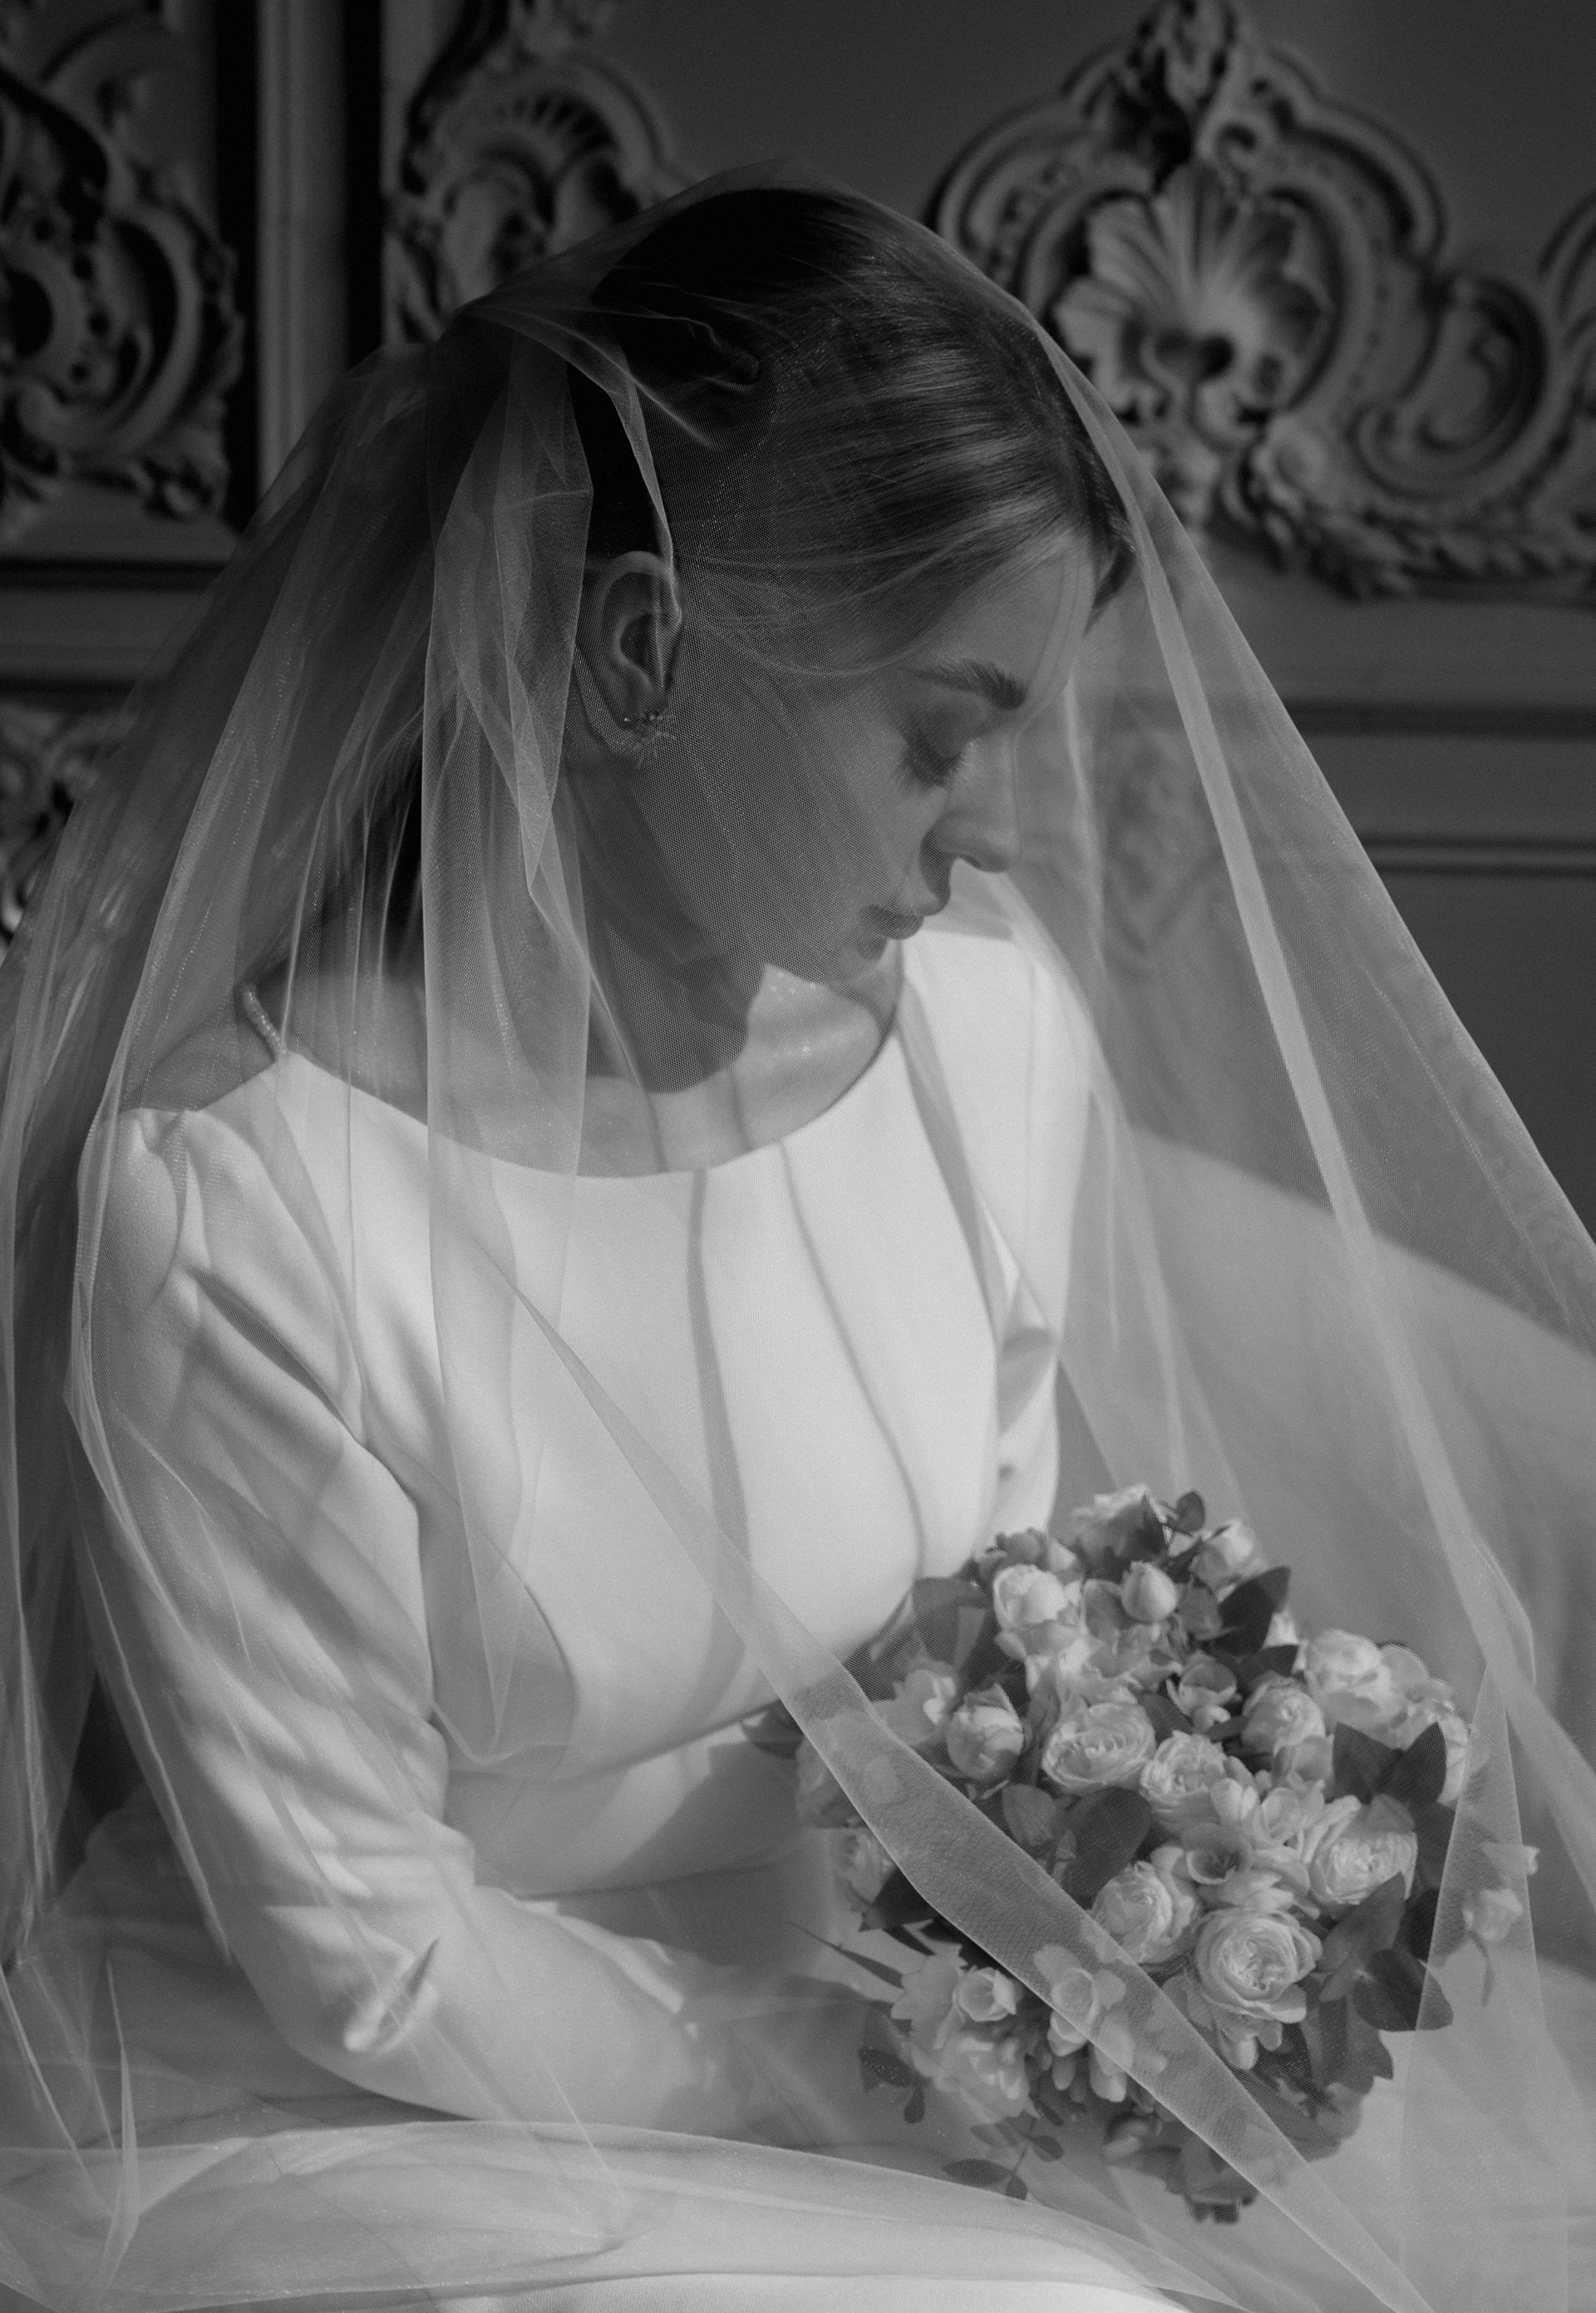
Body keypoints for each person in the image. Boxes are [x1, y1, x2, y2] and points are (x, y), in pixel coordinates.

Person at [0, 175, 1592, 2313]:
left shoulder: (988, 1038)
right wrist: (880, 2075)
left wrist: (1135, 1928)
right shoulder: (237, 1207)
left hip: (883, 2044)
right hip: (389, 2110)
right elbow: (370, 1952)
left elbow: (1008, 1644)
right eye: (940, 733)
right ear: (642, 651)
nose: (991, 823)